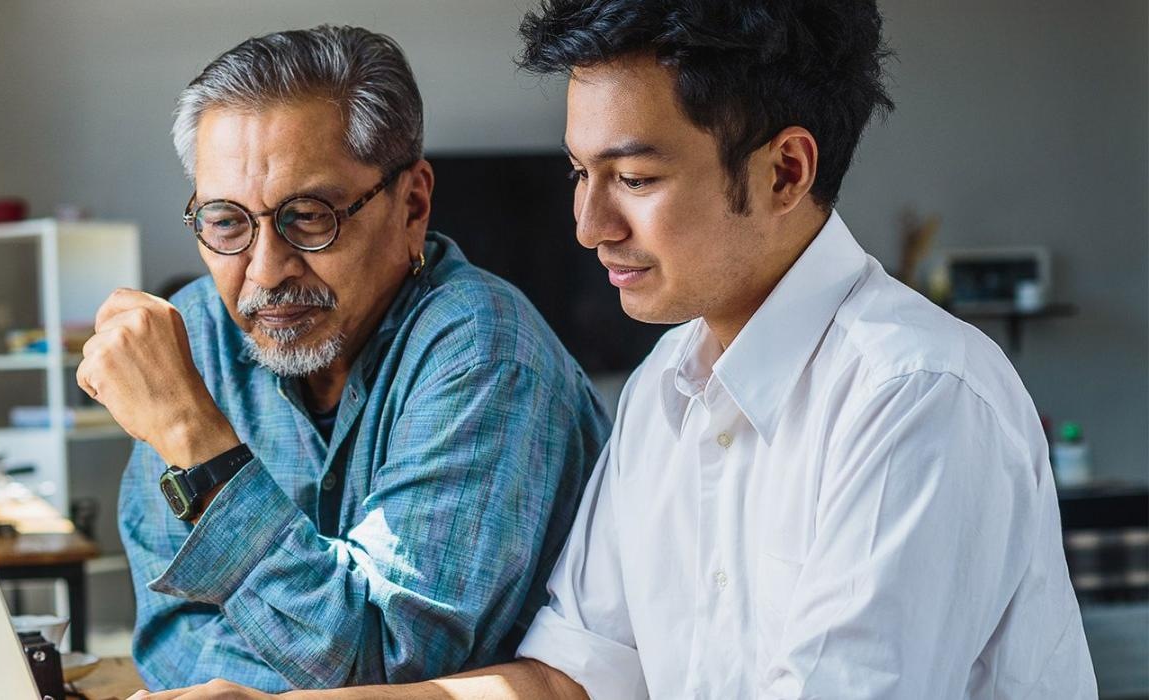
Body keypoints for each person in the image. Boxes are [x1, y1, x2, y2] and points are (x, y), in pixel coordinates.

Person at [137, 1, 1097, 698]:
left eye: (632, 177)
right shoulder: (665, 393)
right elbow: (568, 679)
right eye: (578, 174)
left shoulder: (914, 396)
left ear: (785, 171)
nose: (589, 224)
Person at [75, 25, 609, 692]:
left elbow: (387, 661)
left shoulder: (486, 350)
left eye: (309, 215)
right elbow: (173, 633)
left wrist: (197, 441)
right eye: (226, 220)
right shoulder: (199, 336)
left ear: (412, 204)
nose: (265, 270)